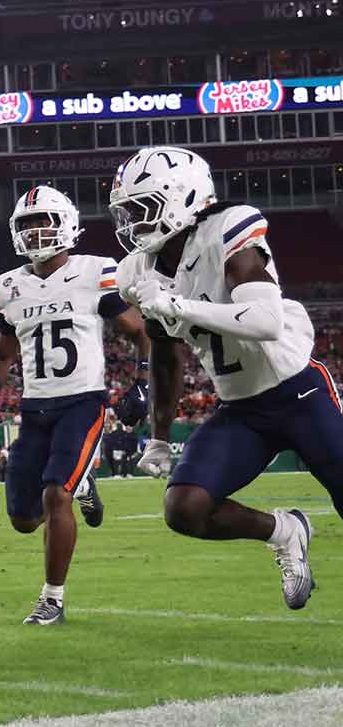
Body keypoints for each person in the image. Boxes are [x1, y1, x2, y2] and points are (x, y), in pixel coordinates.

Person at [111, 145, 340, 610]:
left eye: (141, 208)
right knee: (185, 506)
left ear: (181, 197)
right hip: (242, 409)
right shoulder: (138, 269)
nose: (131, 223)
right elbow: (166, 354)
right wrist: (158, 437)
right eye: (126, 212)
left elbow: (264, 321)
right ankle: (285, 531)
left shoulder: (229, 228)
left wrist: (176, 304)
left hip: (299, 391)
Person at [0, 185, 152, 625]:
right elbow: (0, 352)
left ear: (68, 224)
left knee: (57, 495)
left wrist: (143, 383)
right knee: (22, 518)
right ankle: (85, 485)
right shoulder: (8, 287)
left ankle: (52, 598)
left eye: (43, 221)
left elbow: (142, 332)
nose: (35, 232)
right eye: (27, 224)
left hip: (83, 402)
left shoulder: (96, 272)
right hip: (34, 409)